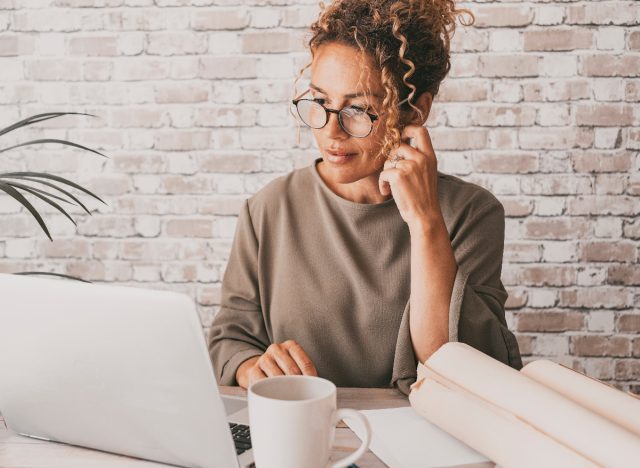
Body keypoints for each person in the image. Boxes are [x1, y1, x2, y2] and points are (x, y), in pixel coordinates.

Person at [208, 0, 523, 396]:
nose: (331, 132)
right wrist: (251, 366)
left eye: (359, 109)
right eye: (321, 102)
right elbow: (229, 336)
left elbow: (456, 368)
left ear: (415, 112)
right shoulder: (268, 209)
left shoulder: (471, 213)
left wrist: (426, 223)